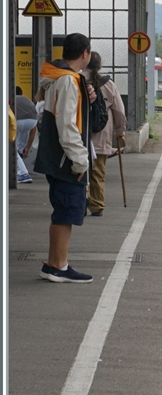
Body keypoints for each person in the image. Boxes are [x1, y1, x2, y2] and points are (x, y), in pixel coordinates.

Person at [34, 33, 97, 283]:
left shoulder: (59, 78)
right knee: (67, 211)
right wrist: (80, 160)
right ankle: (60, 266)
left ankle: (53, 263)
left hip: (56, 157)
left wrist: (88, 97)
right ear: (85, 53)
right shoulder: (68, 82)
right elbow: (67, 125)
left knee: (61, 210)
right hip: (66, 159)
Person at [84, 52, 126, 216]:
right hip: (101, 135)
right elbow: (119, 111)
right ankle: (97, 205)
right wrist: (119, 131)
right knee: (98, 172)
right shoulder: (108, 84)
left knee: (78, 170)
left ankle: (80, 202)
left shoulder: (76, 80)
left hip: (79, 135)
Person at [14, 87, 39, 182]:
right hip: (32, 121)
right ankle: (20, 154)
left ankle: (23, 173)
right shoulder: (27, 100)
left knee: (10, 146)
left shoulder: (11, 99)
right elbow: (33, 129)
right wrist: (27, 147)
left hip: (18, 121)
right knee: (20, 144)